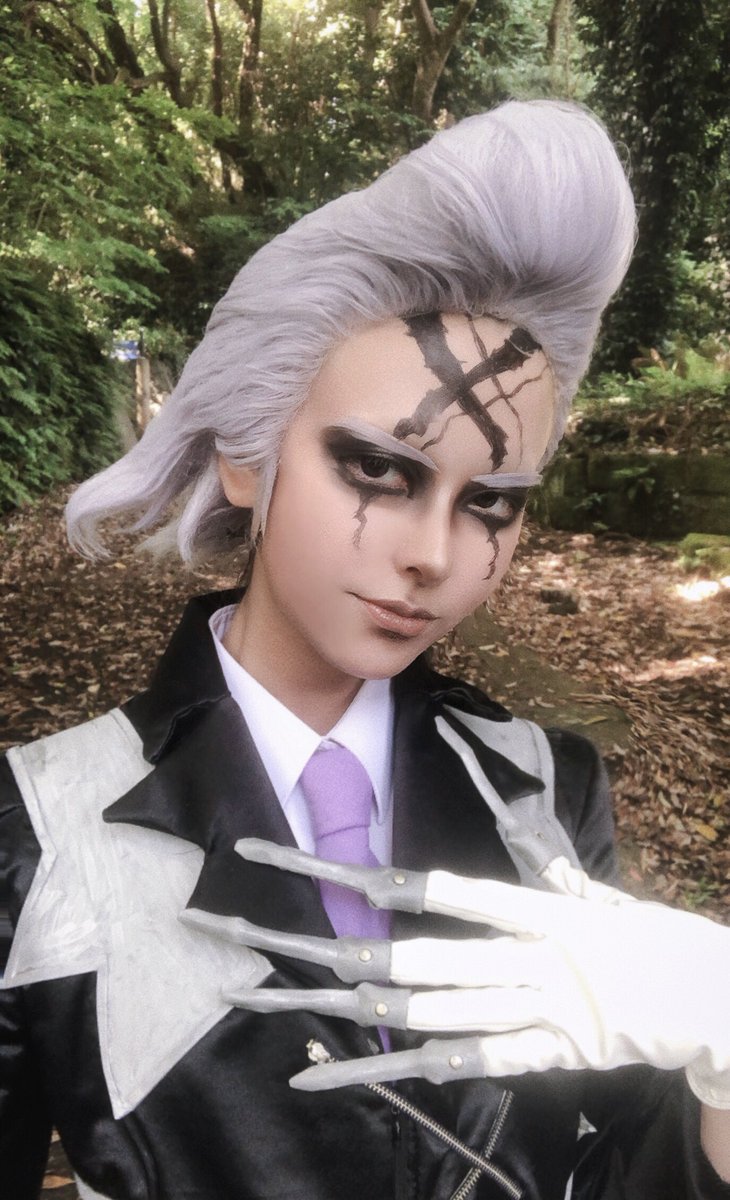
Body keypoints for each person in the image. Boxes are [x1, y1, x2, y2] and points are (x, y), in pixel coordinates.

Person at [1, 100, 728, 1200]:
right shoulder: (39, 834)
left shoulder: (542, 790)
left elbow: (627, 1166)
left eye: (491, 501)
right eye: (380, 471)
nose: (432, 555)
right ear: (248, 452)